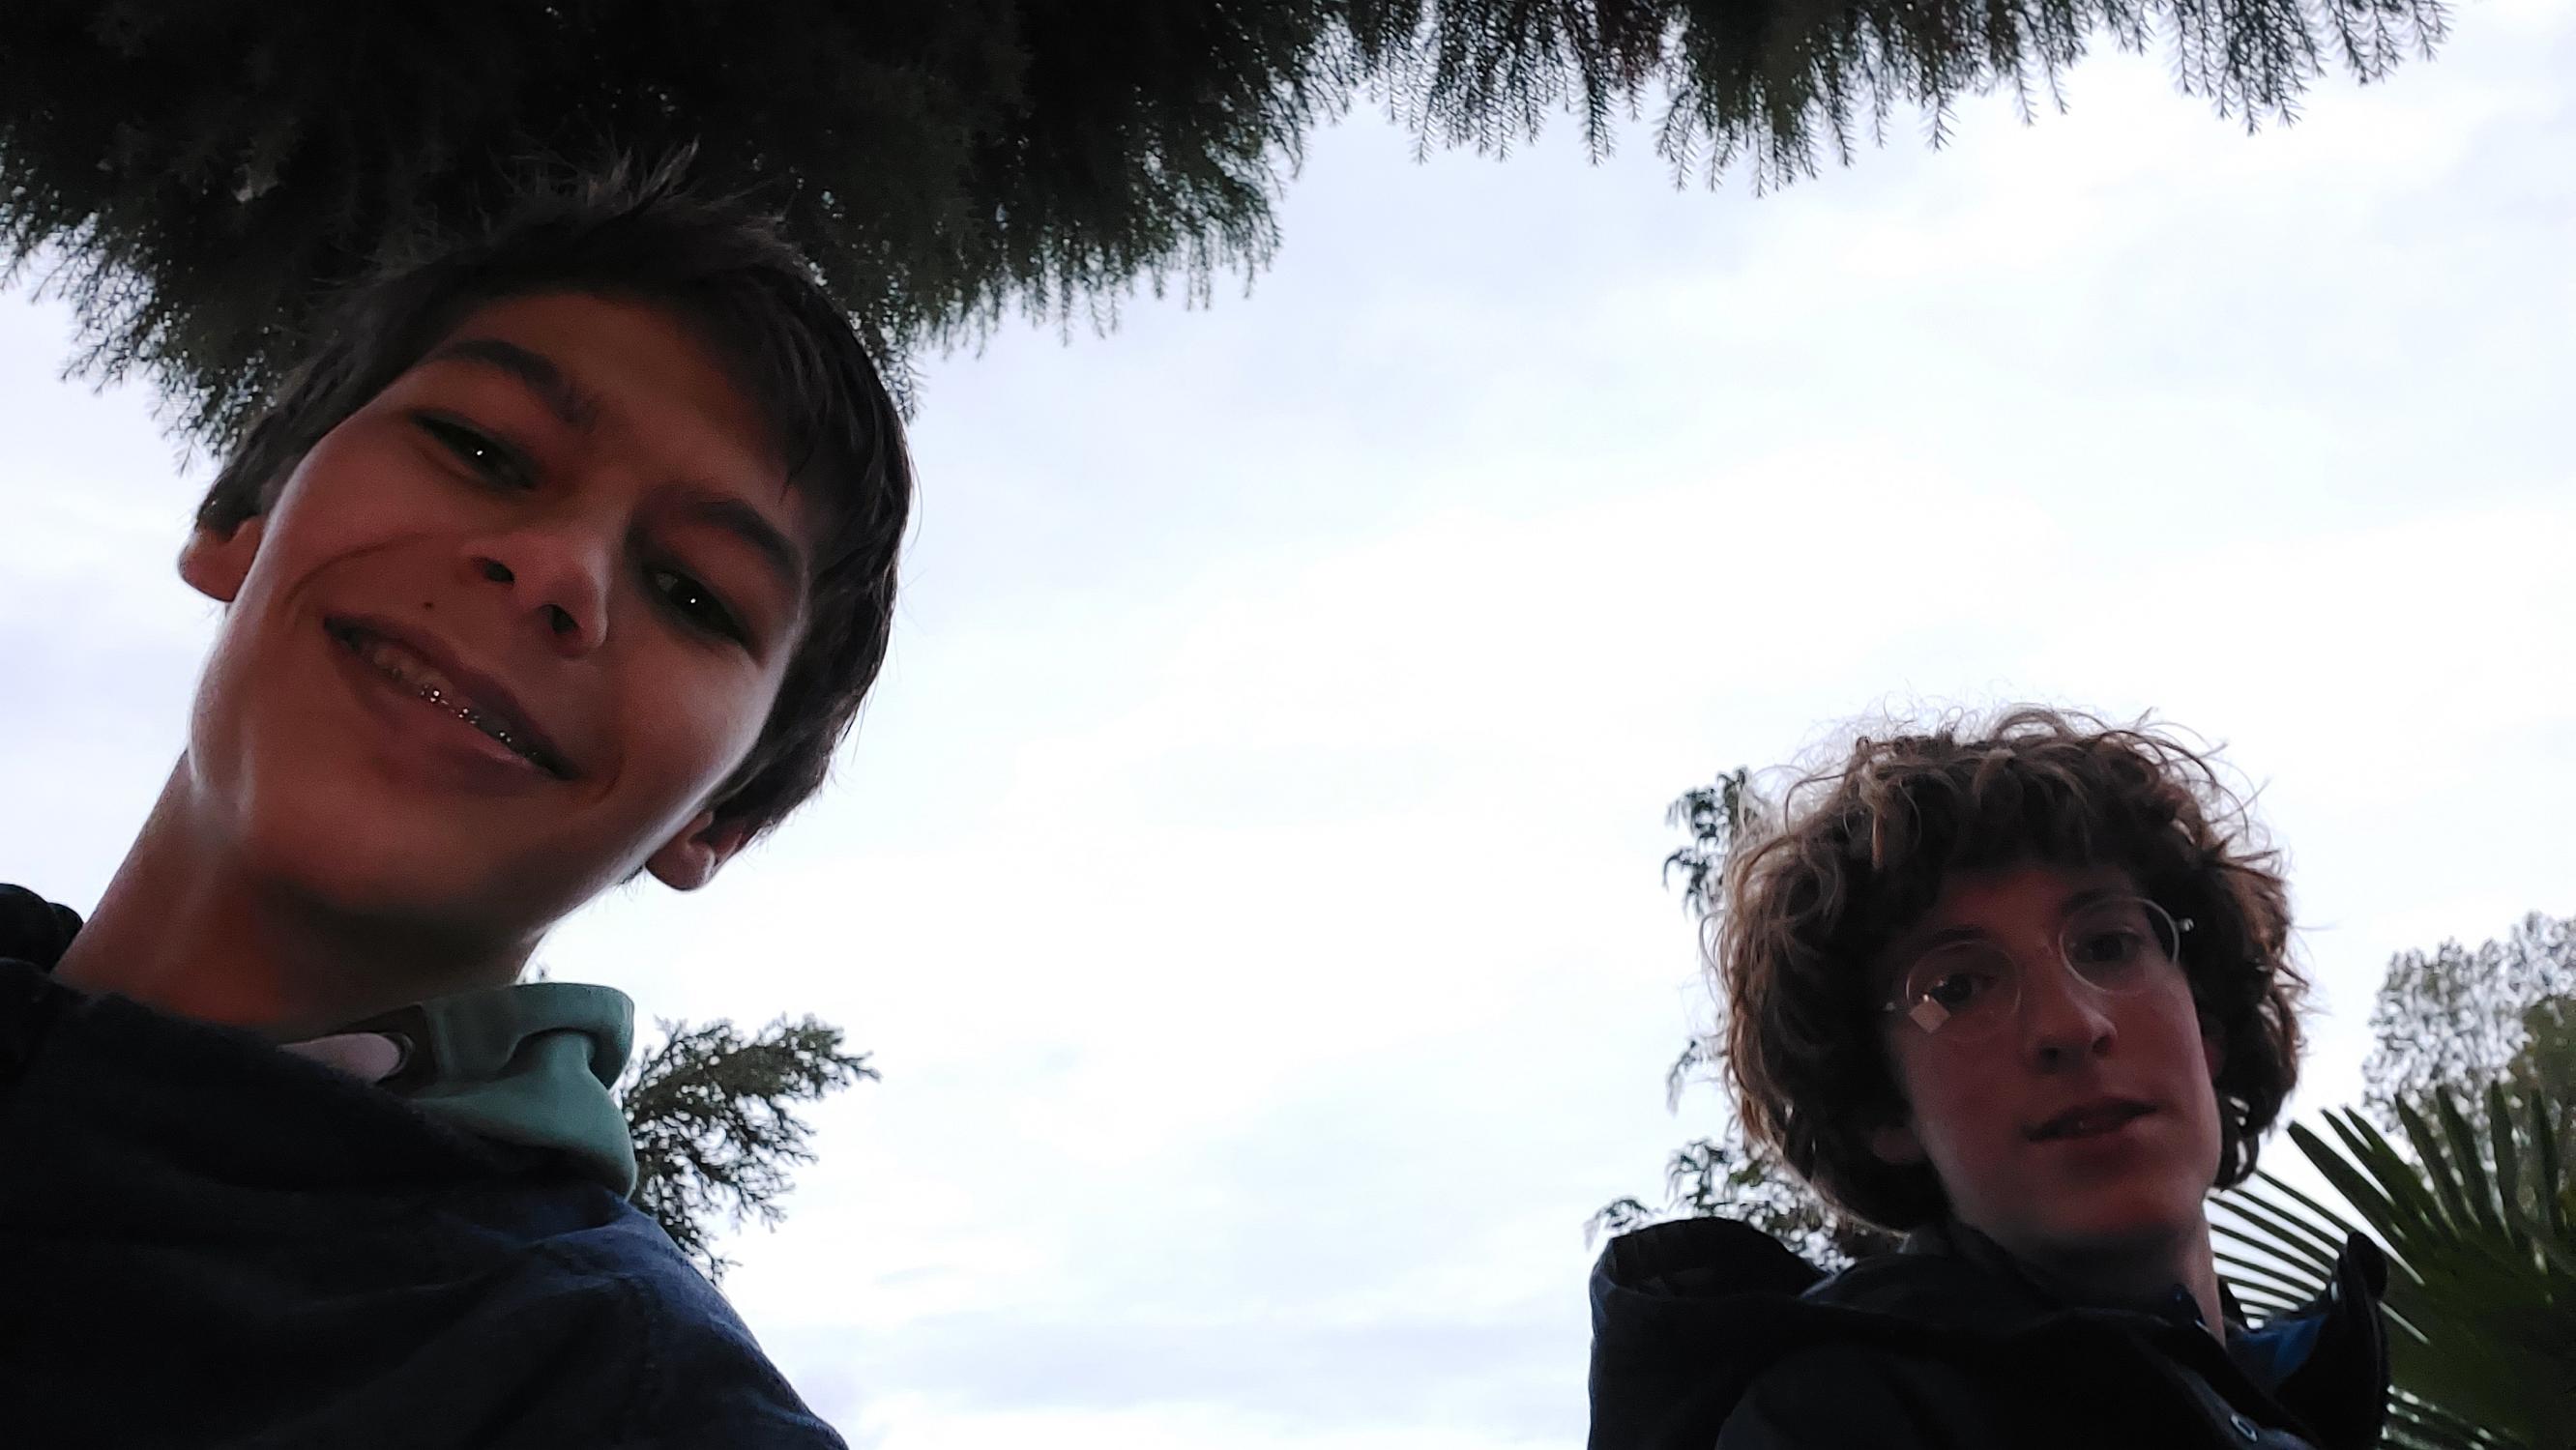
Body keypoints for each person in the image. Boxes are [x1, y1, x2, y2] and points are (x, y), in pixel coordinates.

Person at [0, 159, 909, 1448]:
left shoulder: (620, 1403)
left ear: (718, 819)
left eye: (696, 594)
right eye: (480, 448)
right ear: (242, 518)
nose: (555, 569)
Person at [1586, 710, 2390, 1450]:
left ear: (2205, 1026)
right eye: (1958, 988)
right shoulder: (1833, 1422)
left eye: (2109, 945)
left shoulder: (2294, 1398)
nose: (2071, 1024)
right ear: (1883, 1110)